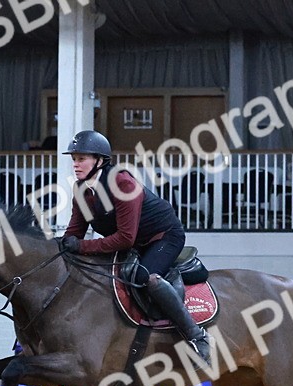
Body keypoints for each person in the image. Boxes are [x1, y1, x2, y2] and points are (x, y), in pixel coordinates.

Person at [59, 130, 212, 364]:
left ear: (99, 161)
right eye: (74, 160)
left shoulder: (122, 183)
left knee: (145, 277)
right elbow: (74, 234)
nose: (76, 165)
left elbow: (124, 239)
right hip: (135, 242)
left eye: (82, 159)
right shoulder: (81, 190)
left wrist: (80, 246)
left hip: (163, 236)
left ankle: (196, 337)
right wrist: (59, 246)